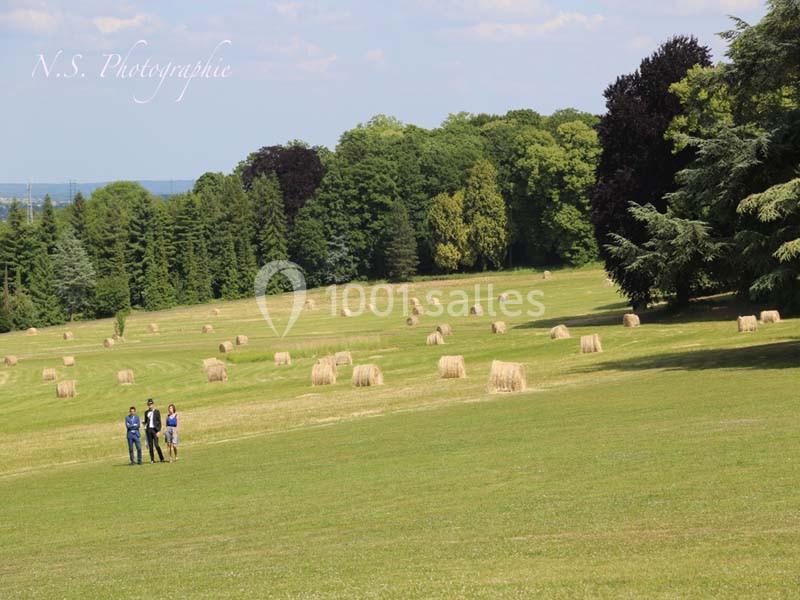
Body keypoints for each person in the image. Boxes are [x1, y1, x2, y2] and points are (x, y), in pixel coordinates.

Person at [143, 398, 164, 463]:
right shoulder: (146, 412)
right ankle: (152, 459)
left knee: (156, 445)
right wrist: (144, 423)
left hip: (155, 430)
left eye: (151, 404)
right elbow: (146, 421)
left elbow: (159, 422)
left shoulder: (157, 411)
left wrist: (159, 431)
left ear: (153, 404)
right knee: (150, 446)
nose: (150, 405)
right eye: (149, 404)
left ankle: (161, 458)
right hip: (149, 430)